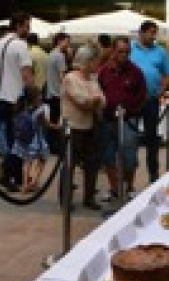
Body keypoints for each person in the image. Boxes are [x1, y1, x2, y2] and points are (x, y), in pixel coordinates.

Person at [0, 12, 34, 193]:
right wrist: (33, 94)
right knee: (20, 140)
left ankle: (16, 176)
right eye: (27, 26)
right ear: (18, 25)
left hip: (0, 99)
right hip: (16, 99)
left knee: (11, 138)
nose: (28, 30)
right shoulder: (20, 45)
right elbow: (26, 73)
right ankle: (6, 174)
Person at [98, 36, 146, 200]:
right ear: (113, 51)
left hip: (128, 120)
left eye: (126, 52)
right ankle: (114, 189)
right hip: (108, 119)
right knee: (108, 156)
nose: (124, 55)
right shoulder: (104, 71)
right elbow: (97, 91)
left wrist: (131, 109)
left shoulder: (136, 72)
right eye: (120, 51)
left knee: (129, 156)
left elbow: (142, 95)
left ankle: (129, 186)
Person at [62, 46, 106, 211]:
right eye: (95, 61)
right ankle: (66, 199)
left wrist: (93, 101)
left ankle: (89, 197)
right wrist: (93, 101)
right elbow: (81, 100)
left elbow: (103, 100)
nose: (97, 64)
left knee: (91, 164)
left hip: (90, 126)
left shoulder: (93, 78)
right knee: (70, 164)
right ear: (87, 61)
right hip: (73, 126)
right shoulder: (70, 78)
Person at [130, 20, 169, 183]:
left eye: (155, 33)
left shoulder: (160, 51)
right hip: (133, 100)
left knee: (152, 138)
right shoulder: (130, 49)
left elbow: (167, 73)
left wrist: (161, 90)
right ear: (141, 33)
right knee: (130, 138)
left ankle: (153, 175)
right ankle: (129, 178)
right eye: (150, 32)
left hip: (151, 100)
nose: (153, 36)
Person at [12, 85, 55, 192]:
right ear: (35, 97)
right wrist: (59, 127)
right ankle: (34, 182)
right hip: (36, 139)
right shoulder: (40, 110)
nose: (41, 97)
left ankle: (25, 185)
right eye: (39, 95)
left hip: (23, 140)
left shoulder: (21, 108)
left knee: (27, 162)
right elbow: (46, 124)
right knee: (42, 158)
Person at [45, 32, 71, 155]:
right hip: (57, 93)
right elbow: (62, 77)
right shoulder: (60, 56)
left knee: (52, 120)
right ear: (60, 41)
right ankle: (56, 147)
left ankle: (51, 145)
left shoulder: (51, 54)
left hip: (50, 92)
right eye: (67, 41)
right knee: (57, 122)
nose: (68, 44)